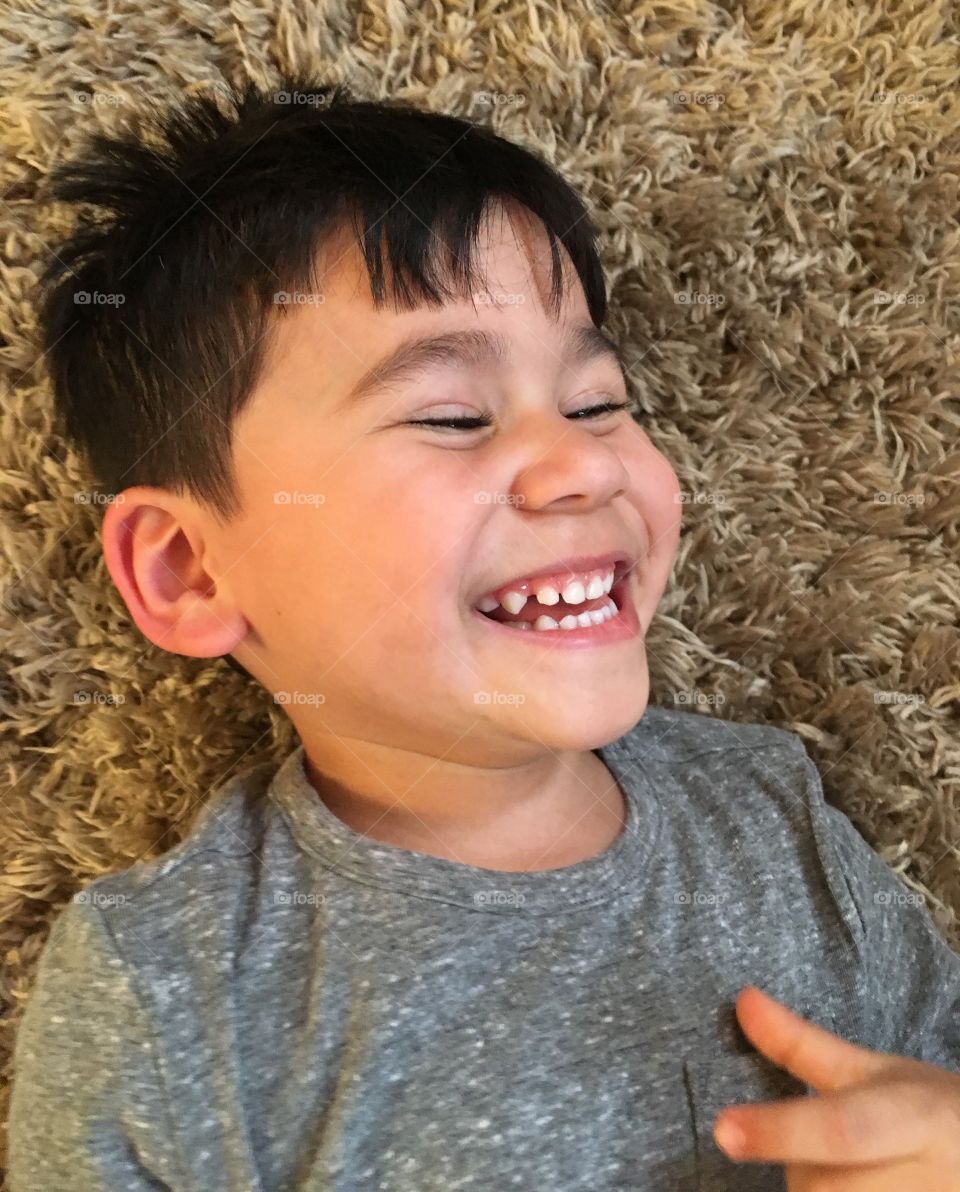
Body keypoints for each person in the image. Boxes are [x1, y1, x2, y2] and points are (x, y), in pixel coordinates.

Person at [8, 73, 960, 1191]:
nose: (587, 461)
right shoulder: (167, 983)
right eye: (454, 417)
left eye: (599, 401)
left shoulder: (773, 812)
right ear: (189, 569)